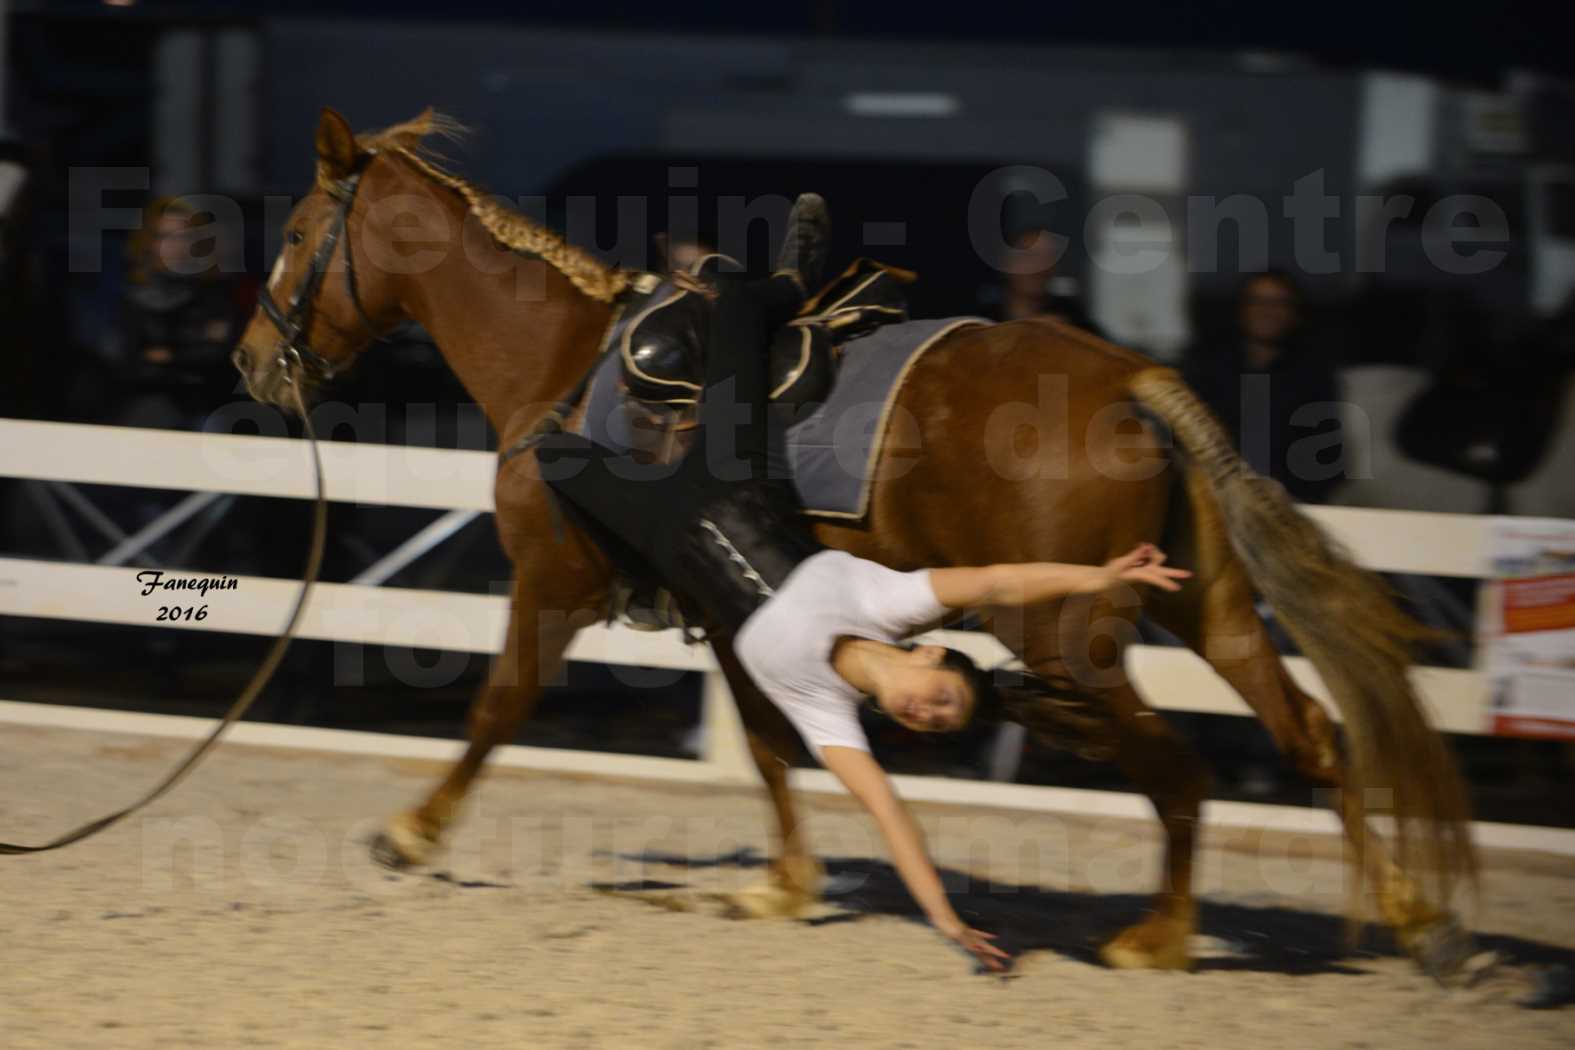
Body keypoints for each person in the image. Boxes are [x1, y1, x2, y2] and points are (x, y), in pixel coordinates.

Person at [532, 196, 1190, 972]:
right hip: (736, 474)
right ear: (931, 659)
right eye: (941, 701)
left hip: (668, 535)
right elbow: (1006, 581)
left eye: (932, 727)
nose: (923, 714)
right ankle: (792, 274)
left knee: (545, 454)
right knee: (739, 296)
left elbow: (891, 820)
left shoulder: (827, 715)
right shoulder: (892, 606)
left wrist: (947, 921)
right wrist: (1103, 572)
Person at [1182, 269, 1343, 505]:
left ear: (1295, 313)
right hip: (1213, 500)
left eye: (1279, 303)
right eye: (1257, 301)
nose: (1267, 311)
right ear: (1241, 309)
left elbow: (1325, 455)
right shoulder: (1206, 369)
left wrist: (1288, 498)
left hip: (1291, 506)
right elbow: (1188, 441)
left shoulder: (1312, 376)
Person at [979, 227, 1104, 336]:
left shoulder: (1072, 316)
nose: (1040, 267)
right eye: (1030, 257)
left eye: (1048, 258)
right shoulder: (981, 319)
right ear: (1006, 263)